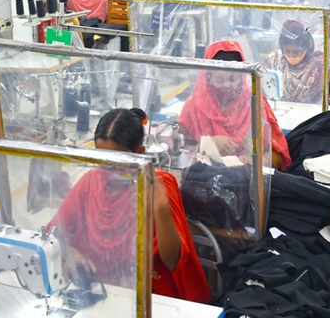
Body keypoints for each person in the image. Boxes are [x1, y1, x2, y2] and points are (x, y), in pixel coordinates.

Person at [48, 108, 211, 303]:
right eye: (102, 159)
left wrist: (161, 209)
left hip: (150, 292)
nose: (108, 168)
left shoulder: (159, 184)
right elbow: (54, 231)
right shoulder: (92, 181)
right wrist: (69, 252)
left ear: (139, 153)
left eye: (118, 160)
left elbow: (172, 260)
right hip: (103, 287)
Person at [179, 40, 292, 171]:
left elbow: (278, 156)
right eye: (219, 80)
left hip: (247, 181)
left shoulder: (255, 104)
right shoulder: (193, 107)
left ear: (241, 77)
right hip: (203, 178)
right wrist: (209, 143)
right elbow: (181, 152)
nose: (226, 85)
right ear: (208, 76)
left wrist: (255, 162)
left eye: (232, 79)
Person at [262, 19, 330, 106]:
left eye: (297, 52)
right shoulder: (274, 60)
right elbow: (259, 87)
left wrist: (320, 107)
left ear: (307, 48)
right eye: (287, 51)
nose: (292, 56)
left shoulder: (320, 64)